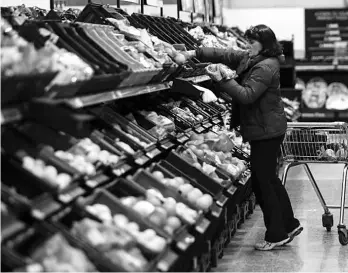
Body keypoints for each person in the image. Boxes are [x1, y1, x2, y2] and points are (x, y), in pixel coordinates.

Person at [186, 24, 303, 251]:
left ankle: (276, 234)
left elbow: (247, 96)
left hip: (266, 131)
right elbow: (227, 54)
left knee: (263, 183)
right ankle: (289, 224)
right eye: (247, 41)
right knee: (269, 179)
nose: (247, 45)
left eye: (252, 42)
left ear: (265, 44)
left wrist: (222, 80)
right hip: (265, 128)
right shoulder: (254, 57)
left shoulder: (265, 66)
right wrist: (196, 52)